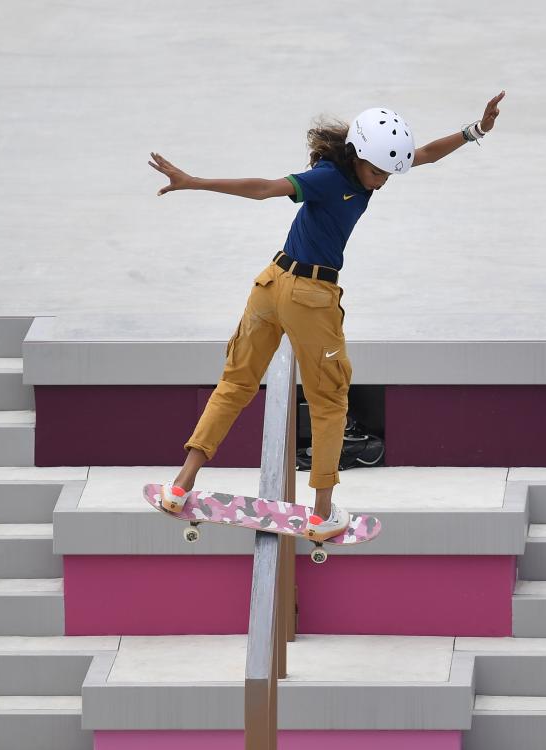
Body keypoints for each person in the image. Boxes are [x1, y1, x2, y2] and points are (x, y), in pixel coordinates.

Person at [148, 92, 505, 540]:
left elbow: (426, 154)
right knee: (330, 400)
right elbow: (264, 189)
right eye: (377, 172)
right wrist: (194, 182)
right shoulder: (325, 177)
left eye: (389, 173)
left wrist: (477, 130)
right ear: (357, 155)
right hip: (309, 296)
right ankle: (320, 513)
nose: (382, 181)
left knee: (236, 383)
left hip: (270, 285)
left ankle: (180, 487)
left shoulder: (371, 161)